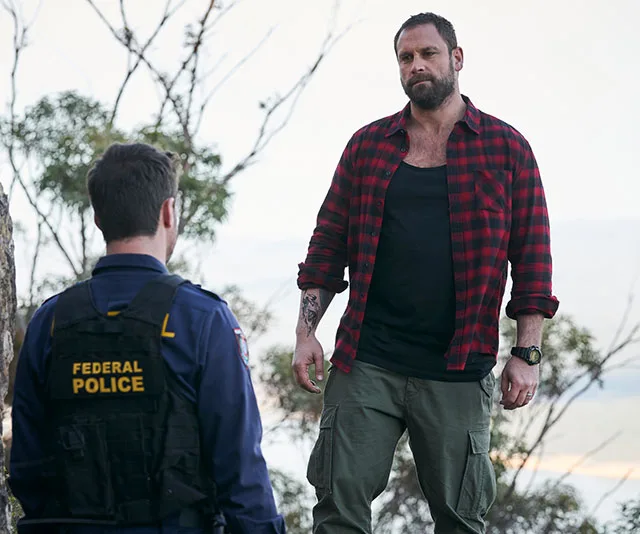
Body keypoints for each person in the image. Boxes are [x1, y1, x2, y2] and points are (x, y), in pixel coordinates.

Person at [293, 12, 559, 534]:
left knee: (461, 519)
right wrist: (306, 334)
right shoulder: (367, 146)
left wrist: (527, 354)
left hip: (457, 368)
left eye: (428, 54)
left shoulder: (506, 149)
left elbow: (533, 259)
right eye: (405, 57)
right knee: (338, 511)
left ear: (456, 59)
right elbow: (327, 246)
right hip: (367, 361)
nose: (416, 65)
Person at [9, 142, 286, 534]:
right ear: (168, 211)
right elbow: (240, 471)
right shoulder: (203, 319)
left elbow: (26, 467)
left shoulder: (49, 322)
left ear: (98, 218)